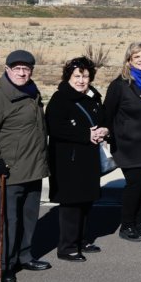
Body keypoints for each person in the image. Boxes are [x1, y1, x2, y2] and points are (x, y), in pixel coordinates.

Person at [0, 49, 51, 282]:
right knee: (7, 221)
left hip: (32, 169)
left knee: (29, 218)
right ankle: (4, 265)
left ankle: (24, 256)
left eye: (27, 69)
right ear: (7, 70)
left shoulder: (32, 92)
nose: (22, 73)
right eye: (17, 69)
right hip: (7, 171)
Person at [45, 56, 108, 262]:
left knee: (86, 201)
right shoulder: (60, 99)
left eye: (85, 76)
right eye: (77, 76)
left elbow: (103, 117)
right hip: (68, 161)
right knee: (71, 205)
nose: (81, 80)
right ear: (69, 77)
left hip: (89, 158)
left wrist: (104, 130)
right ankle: (67, 247)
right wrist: (85, 135)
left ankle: (82, 240)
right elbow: (55, 127)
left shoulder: (93, 96)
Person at [103, 42, 141, 242]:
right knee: (134, 184)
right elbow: (107, 113)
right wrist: (108, 138)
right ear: (129, 60)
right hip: (128, 145)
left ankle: (137, 222)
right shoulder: (120, 85)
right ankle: (127, 225)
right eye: (136, 56)